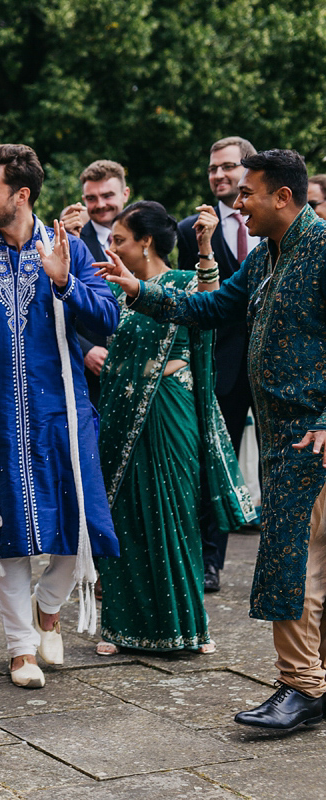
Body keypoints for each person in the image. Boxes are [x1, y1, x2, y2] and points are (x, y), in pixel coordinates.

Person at [102, 149, 326, 733]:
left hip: (314, 437)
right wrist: (140, 291)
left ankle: (302, 687)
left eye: (247, 193)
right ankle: (307, 683)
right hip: (284, 439)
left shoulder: (323, 249)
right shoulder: (267, 258)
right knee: (301, 563)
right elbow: (214, 307)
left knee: (294, 563)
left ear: (282, 196)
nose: (236, 202)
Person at [0, 144, 119, 690]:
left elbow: (108, 317)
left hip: (63, 412)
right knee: (3, 532)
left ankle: (47, 610)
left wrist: (64, 282)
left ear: (21, 194)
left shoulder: (69, 250)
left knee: (77, 529)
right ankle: (19, 650)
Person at [94, 201, 255, 656]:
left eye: (120, 239)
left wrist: (204, 247)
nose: (112, 246)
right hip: (123, 414)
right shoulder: (113, 292)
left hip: (170, 408)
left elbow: (211, 298)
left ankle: (189, 626)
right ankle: (120, 628)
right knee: (127, 515)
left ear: (145, 241)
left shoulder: (183, 281)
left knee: (175, 511)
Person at [176, 136, 260, 594]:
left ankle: (285, 559)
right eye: (212, 169)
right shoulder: (192, 228)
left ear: (248, 169)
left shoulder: (273, 223)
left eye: (227, 167)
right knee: (212, 462)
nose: (218, 176)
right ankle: (210, 563)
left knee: (278, 465)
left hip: (272, 367)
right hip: (220, 367)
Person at [61, 160, 131, 407]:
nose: (100, 205)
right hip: (91, 372)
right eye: (91, 198)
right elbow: (53, 305)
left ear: (125, 194)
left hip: (139, 366)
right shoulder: (70, 241)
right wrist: (85, 349)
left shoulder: (146, 233)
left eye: (108, 195)